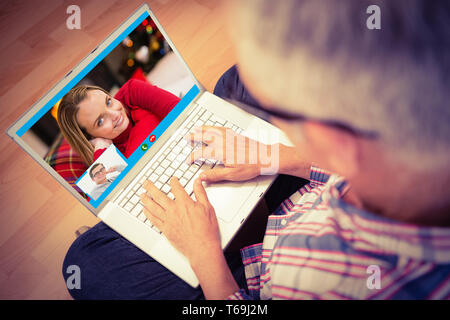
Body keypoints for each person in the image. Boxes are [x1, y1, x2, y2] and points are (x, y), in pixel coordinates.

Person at [63, 0, 450, 300]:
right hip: (306, 200)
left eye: (286, 111)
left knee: (85, 259)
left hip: (250, 271)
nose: (114, 114)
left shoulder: (341, 284)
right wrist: (273, 155)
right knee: (231, 85)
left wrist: (205, 254)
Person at [57, 79, 181, 166]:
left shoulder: (132, 91)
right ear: (90, 136)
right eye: (100, 121)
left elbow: (182, 110)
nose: (115, 114)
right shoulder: (107, 155)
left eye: (108, 102)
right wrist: (101, 150)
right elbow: (118, 194)